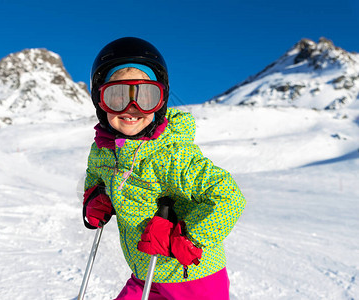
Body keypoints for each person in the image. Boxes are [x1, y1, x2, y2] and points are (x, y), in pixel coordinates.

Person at [82, 37, 246, 299]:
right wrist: (95, 194)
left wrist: (185, 237)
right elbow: (95, 174)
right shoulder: (103, 150)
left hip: (192, 279)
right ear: (99, 100)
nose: (131, 107)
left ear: (161, 100)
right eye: (116, 95)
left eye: (146, 96)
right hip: (145, 272)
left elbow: (229, 198)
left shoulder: (172, 154)